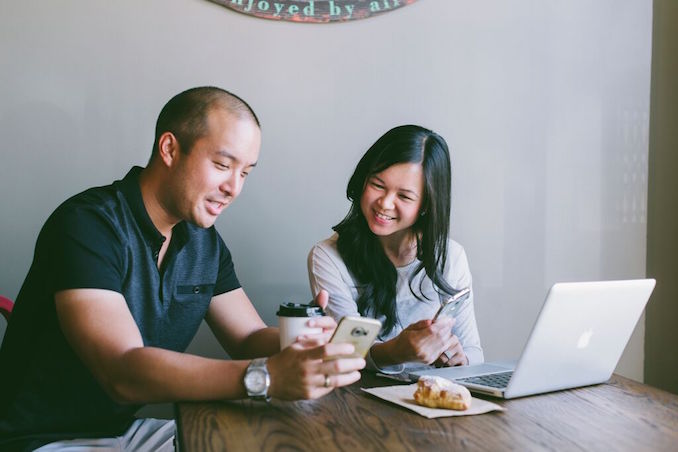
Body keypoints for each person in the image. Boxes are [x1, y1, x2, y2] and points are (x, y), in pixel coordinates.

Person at [0, 87, 365, 452]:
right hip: (39, 439)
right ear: (170, 149)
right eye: (222, 165)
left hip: (122, 431)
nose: (233, 188)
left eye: (245, 173)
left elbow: (247, 337)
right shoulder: (87, 225)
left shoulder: (203, 242)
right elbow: (122, 371)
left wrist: (304, 342)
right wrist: (266, 376)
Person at [308, 125, 483, 374]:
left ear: (426, 205)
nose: (385, 204)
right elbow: (347, 351)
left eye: (404, 196)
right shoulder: (328, 257)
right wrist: (397, 351)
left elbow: (475, 352)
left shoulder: (450, 257)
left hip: (429, 400)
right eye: (378, 185)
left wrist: (460, 359)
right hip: (359, 402)